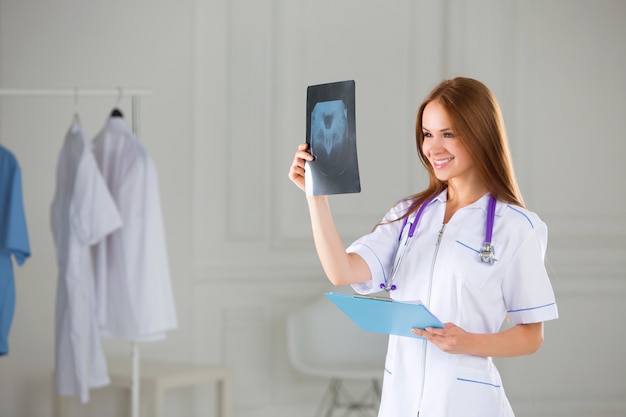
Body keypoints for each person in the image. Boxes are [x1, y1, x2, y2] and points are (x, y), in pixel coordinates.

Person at [288, 77, 558, 417]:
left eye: (449, 134)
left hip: (467, 406)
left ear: (481, 134)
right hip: (401, 402)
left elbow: (532, 335)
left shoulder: (517, 227)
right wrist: (316, 196)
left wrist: (468, 342)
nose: (433, 148)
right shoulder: (408, 215)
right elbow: (341, 271)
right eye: (427, 134)